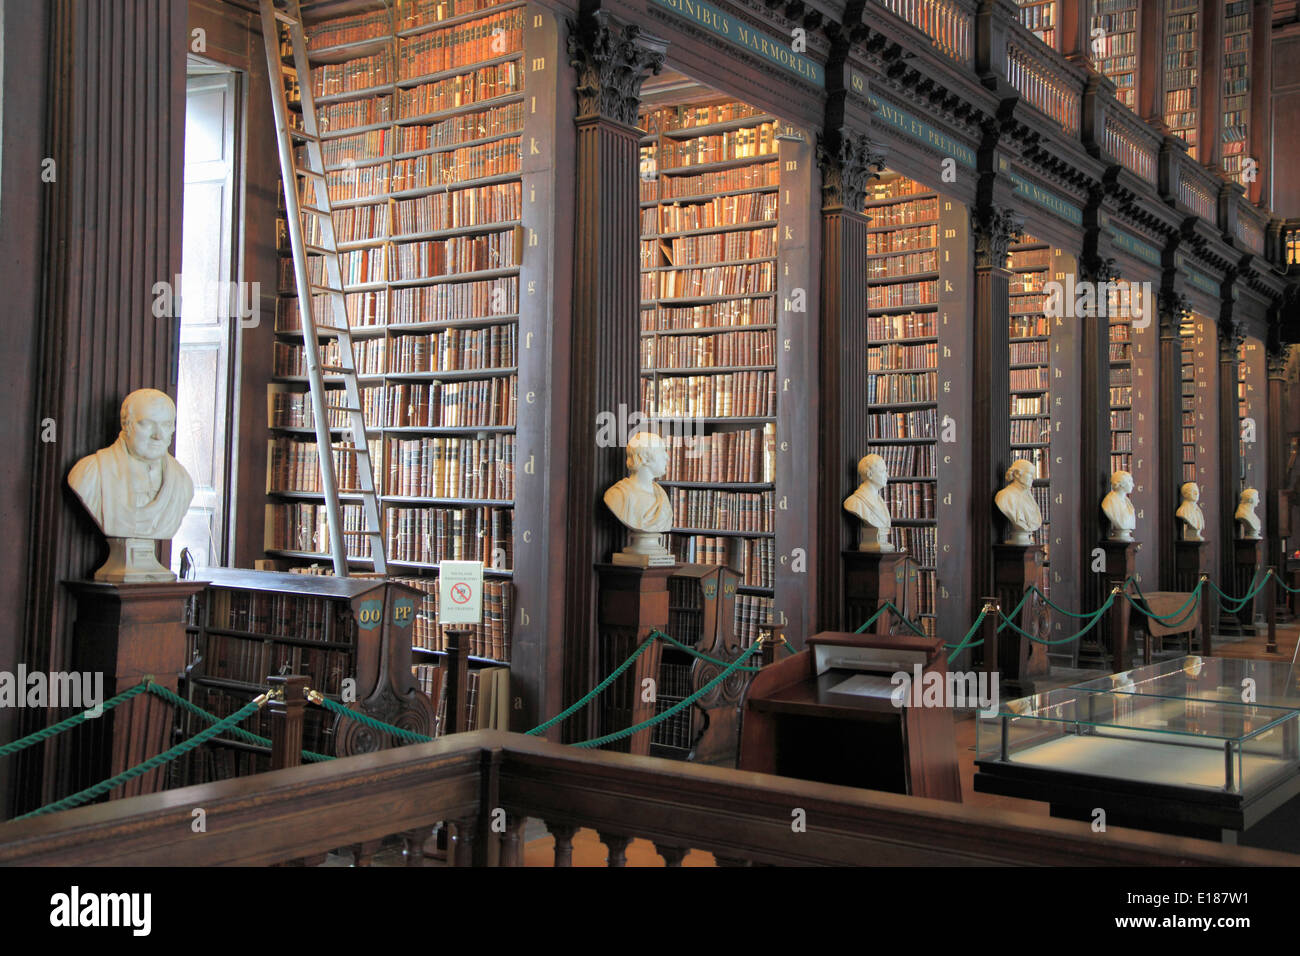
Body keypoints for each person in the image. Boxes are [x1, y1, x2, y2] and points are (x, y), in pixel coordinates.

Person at [68, 388, 194, 540]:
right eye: (147, 424)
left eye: (166, 425)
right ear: (126, 424)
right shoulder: (91, 473)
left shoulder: (182, 481)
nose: (158, 435)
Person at [604, 431, 672, 534]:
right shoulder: (618, 495)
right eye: (662, 451)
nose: (667, 457)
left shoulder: (661, 495)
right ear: (645, 457)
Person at [843, 453, 893, 551]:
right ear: (870, 474)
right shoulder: (854, 502)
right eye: (883, 471)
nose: (887, 475)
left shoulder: (880, 501)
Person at [994, 459, 1042, 545]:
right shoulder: (1004, 496)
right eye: (1030, 474)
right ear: (1017, 474)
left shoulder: (1029, 498)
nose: (1034, 478)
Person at [1101, 470, 1136, 542]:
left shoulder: (1127, 501)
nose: (1133, 485)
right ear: (1120, 484)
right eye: (1129, 481)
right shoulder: (1110, 501)